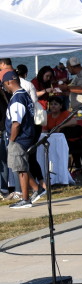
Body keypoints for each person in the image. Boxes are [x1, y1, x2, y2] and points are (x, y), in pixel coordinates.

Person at [3, 70, 44, 209]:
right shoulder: (25, 95)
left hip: (20, 138)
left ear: (9, 82)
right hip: (27, 136)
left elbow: (16, 123)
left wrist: (12, 140)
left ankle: (25, 199)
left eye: (4, 84)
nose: (4, 87)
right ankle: (37, 189)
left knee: (20, 169)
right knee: (21, 166)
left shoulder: (17, 98)